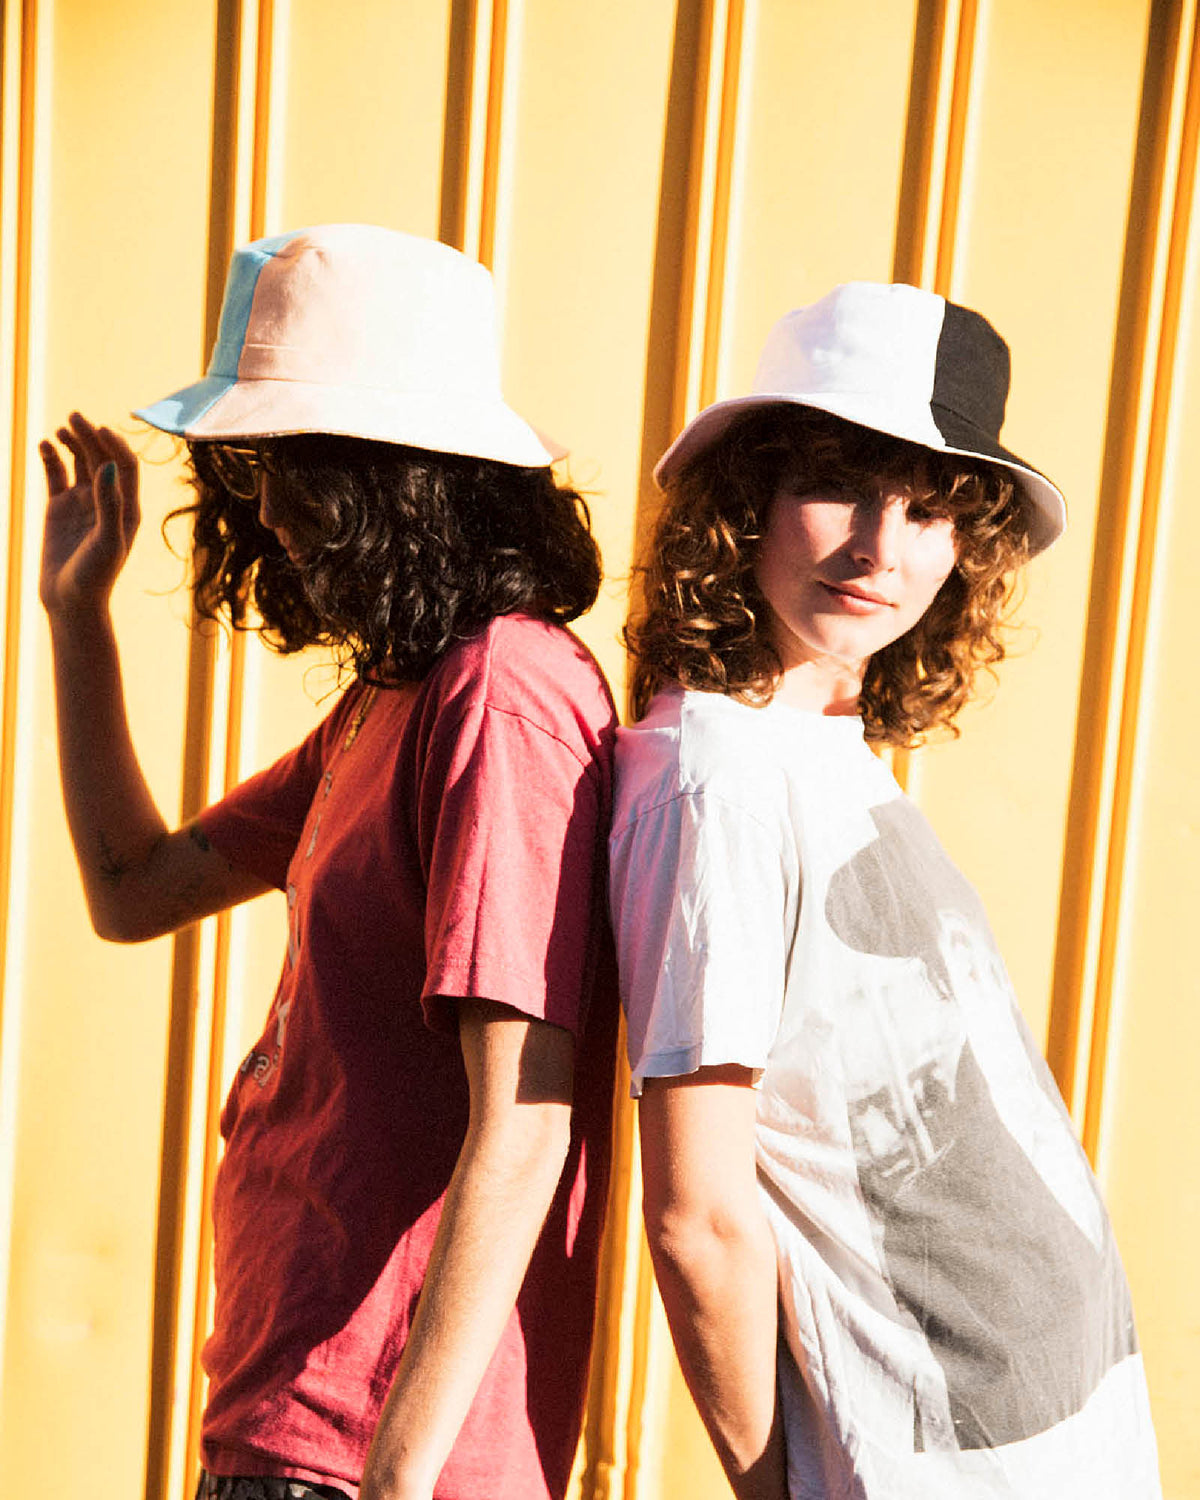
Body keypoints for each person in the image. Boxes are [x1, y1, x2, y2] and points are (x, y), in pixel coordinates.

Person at [39, 224, 619, 1500]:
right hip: (284, 1411)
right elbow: (133, 891)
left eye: (291, 466)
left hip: (362, 1455)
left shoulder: (502, 693)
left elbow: (525, 1114)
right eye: (249, 466)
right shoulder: (392, 698)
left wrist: (397, 1472)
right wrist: (76, 620)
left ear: (404, 478)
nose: (265, 508)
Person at [609, 282, 1161, 1499]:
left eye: (928, 511)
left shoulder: (825, 751)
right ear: (744, 497)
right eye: (835, 485)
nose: (879, 547)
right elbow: (697, 1219)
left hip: (1063, 1439)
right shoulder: (720, 780)